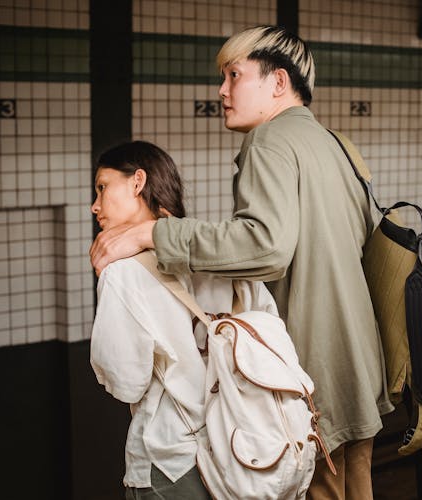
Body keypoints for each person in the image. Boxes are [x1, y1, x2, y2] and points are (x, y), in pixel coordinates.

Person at [90, 26, 393, 499]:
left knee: (318, 490)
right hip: (356, 356)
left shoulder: (270, 141)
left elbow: (266, 247)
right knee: (357, 486)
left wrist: (153, 232)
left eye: (234, 75)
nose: (222, 91)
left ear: (277, 83)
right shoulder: (335, 144)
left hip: (305, 363)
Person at [89, 140, 278, 499]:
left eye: (102, 187)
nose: (94, 205)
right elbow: (269, 327)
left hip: (173, 458)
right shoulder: (218, 248)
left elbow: (127, 381)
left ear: (137, 182)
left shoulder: (123, 272)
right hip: (245, 445)